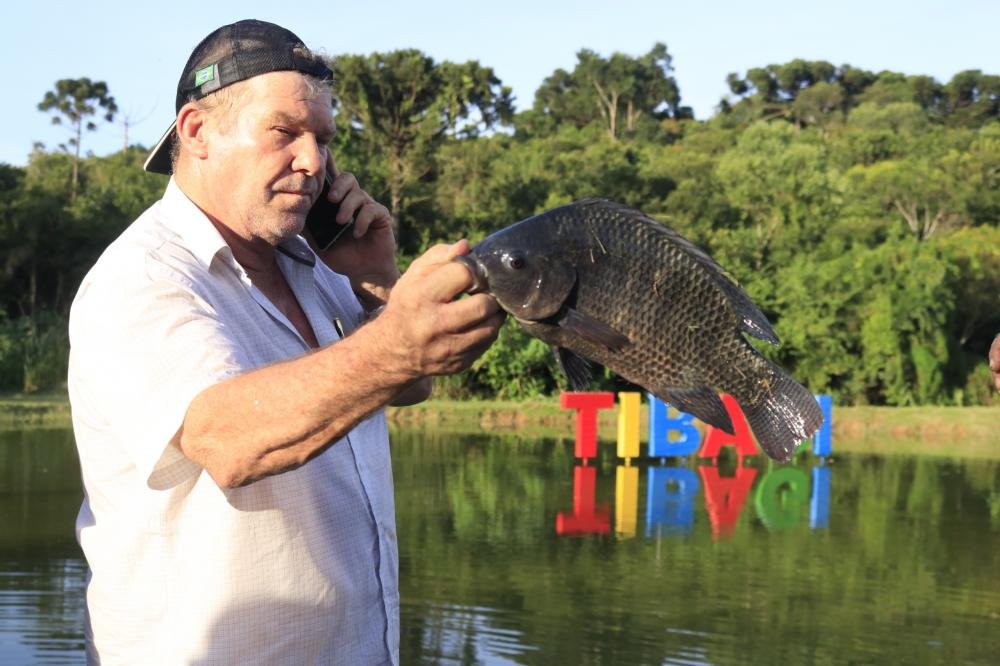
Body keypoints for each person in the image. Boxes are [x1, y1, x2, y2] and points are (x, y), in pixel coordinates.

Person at [67, 19, 504, 665]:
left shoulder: (317, 266)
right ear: (198, 132)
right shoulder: (141, 277)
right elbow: (227, 440)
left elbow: (409, 386)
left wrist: (375, 281)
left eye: (322, 140)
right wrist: (396, 345)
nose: (313, 161)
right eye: (285, 132)